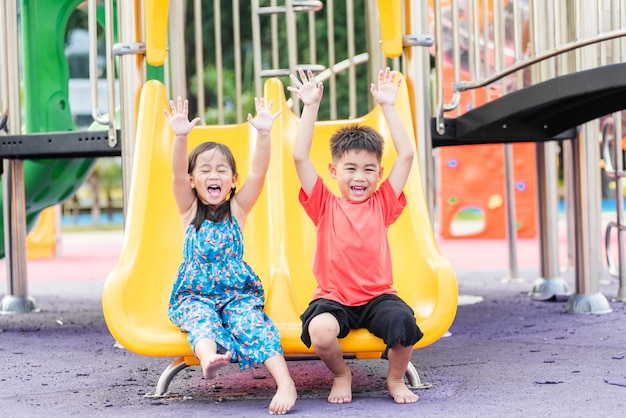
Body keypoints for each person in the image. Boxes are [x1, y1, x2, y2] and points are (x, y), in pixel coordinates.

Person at [287, 67, 423, 405]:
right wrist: (311, 106)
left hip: (378, 297)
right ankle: (341, 374)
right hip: (334, 299)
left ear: (379, 173)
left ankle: (394, 379)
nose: (359, 177)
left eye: (368, 169)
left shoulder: (383, 203)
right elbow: (300, 156)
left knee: (404, 325)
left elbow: (405, 155)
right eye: (350, 168)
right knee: (320, 331)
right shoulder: (324, 204)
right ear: (334, 172)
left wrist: (389, 107)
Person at [164, 96, 297, 415]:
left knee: (254, 323)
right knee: (201, 322)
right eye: (205, 170)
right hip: (195, 295)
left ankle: (285, 382)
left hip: (236, 293)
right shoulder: (189, 209)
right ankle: (209, 358)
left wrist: (264, 135)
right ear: (194, 181)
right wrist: (180, 137)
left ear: (233, 181)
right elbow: (177, 175)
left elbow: (259, 174)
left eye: (222, 170)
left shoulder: (238, 210)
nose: (214, 175)